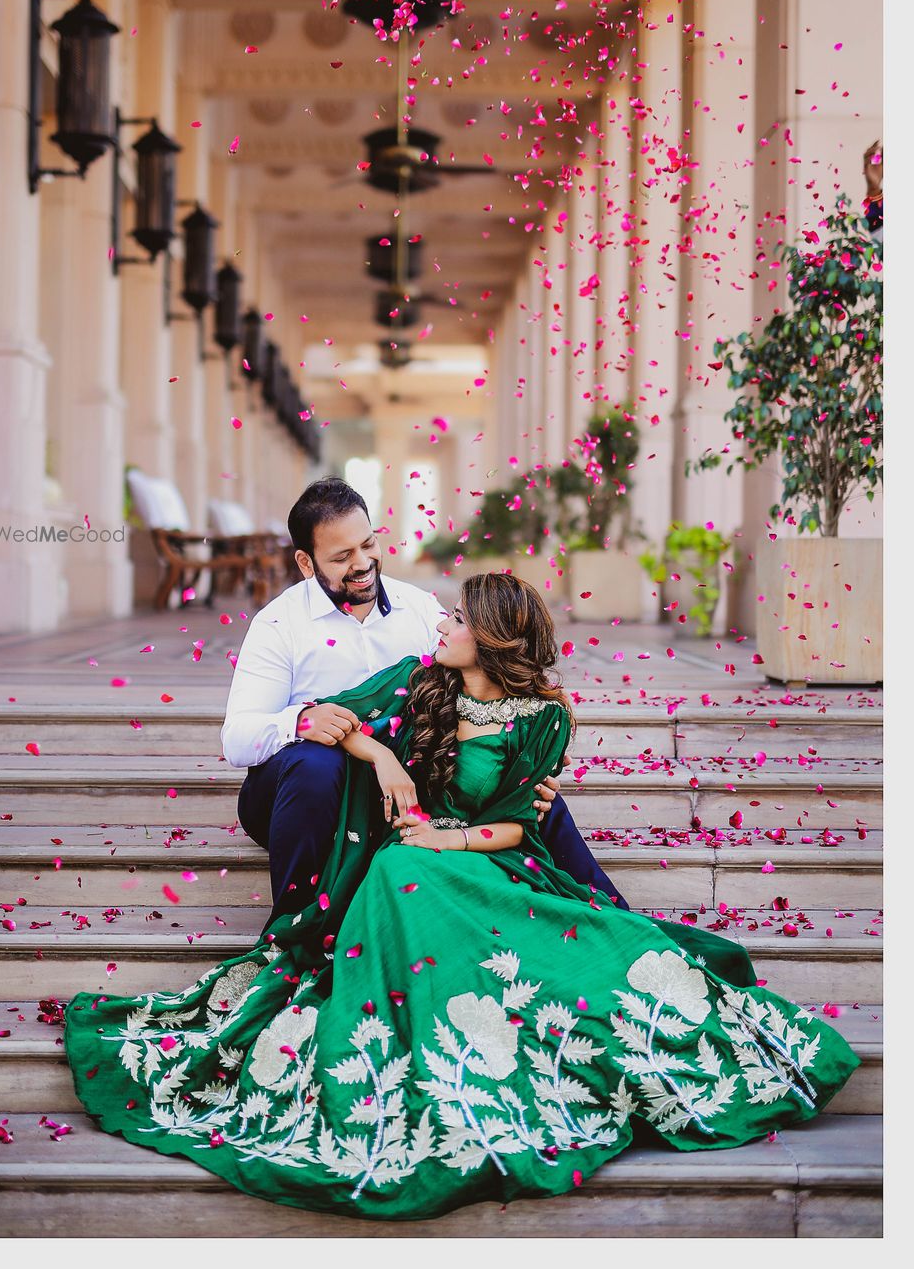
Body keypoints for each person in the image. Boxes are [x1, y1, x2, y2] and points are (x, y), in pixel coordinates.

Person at [65, 573, 859, 1223]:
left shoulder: (544, 717)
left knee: (446, 890)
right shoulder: (423, 683)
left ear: (493, 633)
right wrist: (381, 753)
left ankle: (476, 1060)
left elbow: (516, 827)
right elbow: (338, 722)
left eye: (456, 615)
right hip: (406, 856)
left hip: (479, 863)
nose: (440, 622)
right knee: (394, 875)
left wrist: (449, 838)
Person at [220, 476, 628, 919]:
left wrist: (534, 755)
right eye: (342, 556)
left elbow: (480, 663)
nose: (362, 563)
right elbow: (237, 739)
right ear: (306, 562)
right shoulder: (278, 624)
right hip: (303, 795)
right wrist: (300, 722)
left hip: (398, 795)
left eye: (368, 544)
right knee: (318, 762)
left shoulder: (417, 609)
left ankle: (611, 919)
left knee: (529, 795)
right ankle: (299, 929)